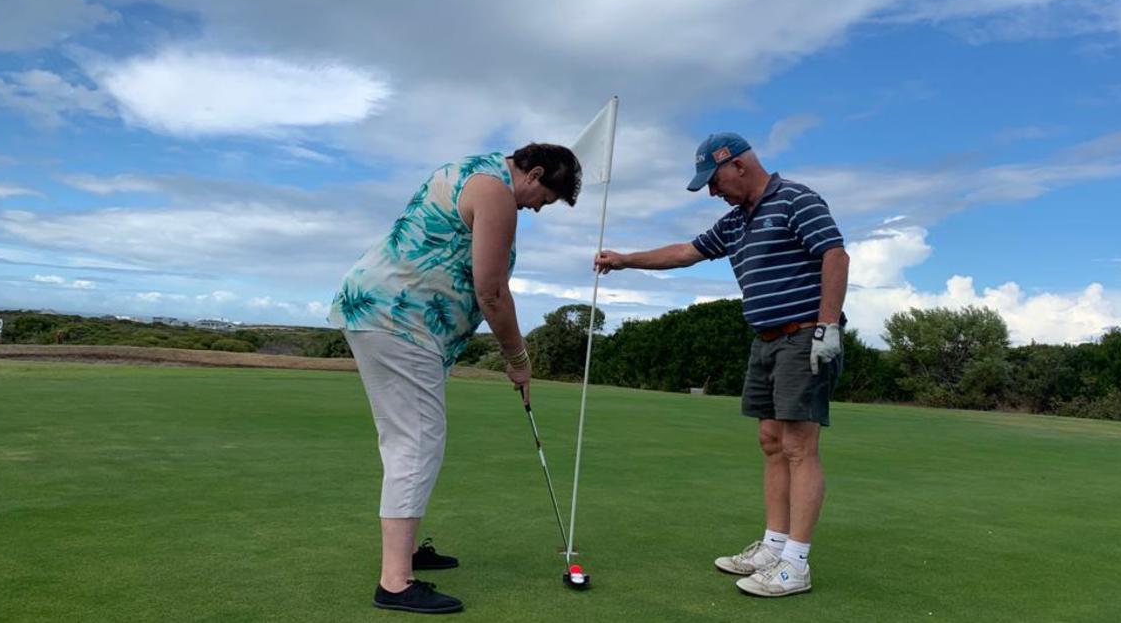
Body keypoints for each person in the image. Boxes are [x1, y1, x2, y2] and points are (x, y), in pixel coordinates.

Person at [329, 143, 581, 614]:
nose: (536, 209)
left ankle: (405, 553)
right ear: (534, 173)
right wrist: (517, 357)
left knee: (410, 438)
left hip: (384, 314)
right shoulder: (497, 192)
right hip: (400, 321)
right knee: (417, 441)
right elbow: (491, 291)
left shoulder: (472, 169)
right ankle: (395, 582)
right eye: (544, 199)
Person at [594, 132, 848, 598]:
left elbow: (835, 254)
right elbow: (685, 253)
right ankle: (773, 546)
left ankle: (796, 564)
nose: (712, 192)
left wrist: (828, 326)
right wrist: (625, 260)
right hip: (765, 340)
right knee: (771, 442)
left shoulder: (796, 199)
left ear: (738, 165)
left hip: (805, 335)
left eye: (714, 181)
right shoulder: (735, 222)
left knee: (799, 446)